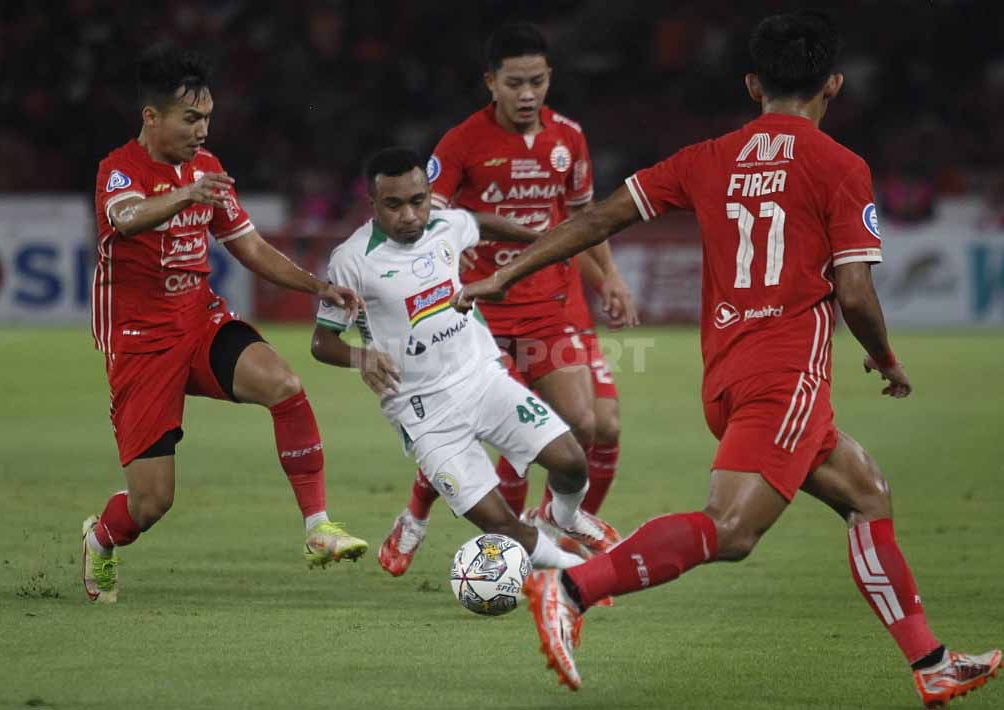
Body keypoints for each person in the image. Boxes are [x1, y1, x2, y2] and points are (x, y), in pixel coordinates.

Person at [454, 11, 1002, 707]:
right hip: (786, 377)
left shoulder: (707, 157)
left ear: (753, 84)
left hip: (727, 375)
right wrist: (885, 358)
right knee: (733, 529)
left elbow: (595, 219)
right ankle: (568, 587)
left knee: (866, 493)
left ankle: (931, 662)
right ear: (834, 84)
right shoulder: (840, 166)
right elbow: (856, 292)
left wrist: (506, 272)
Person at [80, 46, 368, 604]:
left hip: (200, 319)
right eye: (191, 119)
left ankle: (318, 528)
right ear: (151, 117)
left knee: (284, 385)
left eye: (207, 118)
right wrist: (183, 193)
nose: (202, 130)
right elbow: (127, 219)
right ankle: (100, 539)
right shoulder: (118, 170)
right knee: (152, 503)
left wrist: (318, 287)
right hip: (140, 343)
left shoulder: (207, 170)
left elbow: (251, 248)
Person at [376, 22, 636, 577]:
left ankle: (551, 523)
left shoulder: (569, 138)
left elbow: (582, 222)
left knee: (584, 425)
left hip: (551, 304)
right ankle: (417, 518)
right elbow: (425, 212)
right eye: (514, 82)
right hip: (480, 312)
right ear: (490, 82)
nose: (526, 94)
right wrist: (448, 249)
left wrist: (608, 277)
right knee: (476, 425)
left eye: (537, 81)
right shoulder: (461, 142)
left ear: (549, 80)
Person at [310, 147, 621, 571]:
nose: (409, 215)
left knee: (571, 462)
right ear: (373, 204)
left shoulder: (445, 225)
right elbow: (321, 342)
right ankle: (581, 575)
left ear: (428, 195)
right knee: (500, 523)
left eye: (418, 201)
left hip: (484, 382)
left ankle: (563, 515)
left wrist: (541, 240)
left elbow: (479, 224)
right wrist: (361, 357)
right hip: (424, 412)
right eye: (394, 205)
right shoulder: (352, 261)